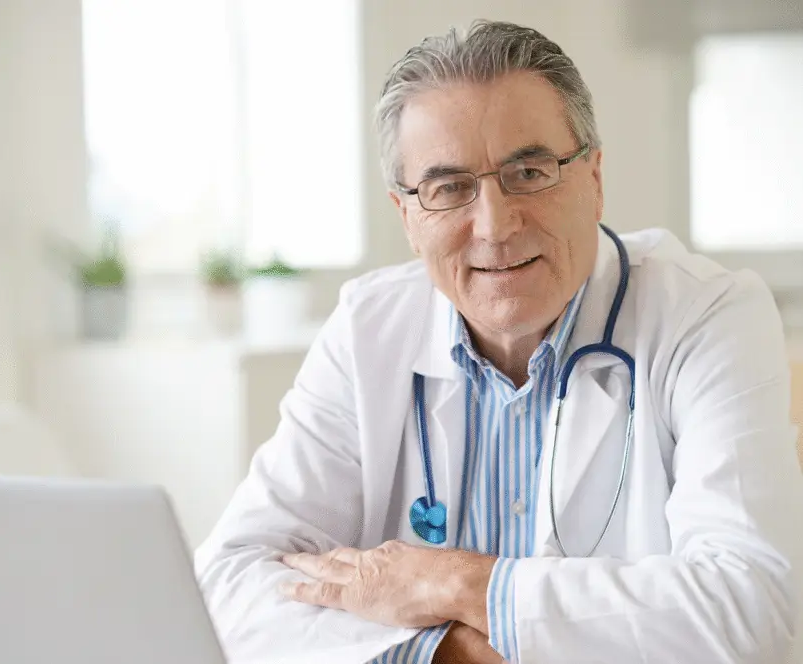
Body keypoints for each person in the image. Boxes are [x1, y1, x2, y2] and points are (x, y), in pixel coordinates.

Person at [194, 19, 803, 664]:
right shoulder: (368, 328)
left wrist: (455, 582)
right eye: (449, 188)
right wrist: (446, 651)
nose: (494, 224)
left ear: (594, 180)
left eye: (531, 172)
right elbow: (228, 585)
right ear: (407, 215)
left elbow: (753, 607)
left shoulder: (707, 314)